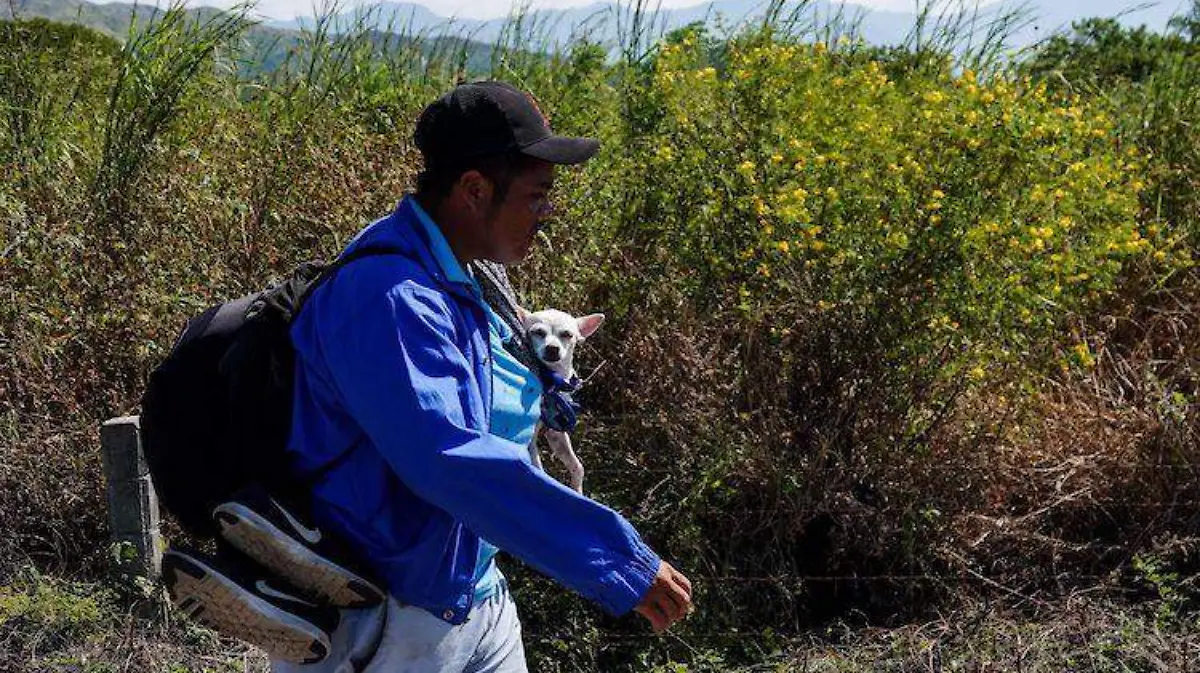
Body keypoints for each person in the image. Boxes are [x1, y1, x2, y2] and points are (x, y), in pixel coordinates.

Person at [217, 80, 694, 672]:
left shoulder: (455, 272)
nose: (547, 212)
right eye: (536, 194)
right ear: (474, 189)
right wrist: (618, 561)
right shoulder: (391, 296)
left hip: (470, 593)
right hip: (387, 619)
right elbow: (448, 457)